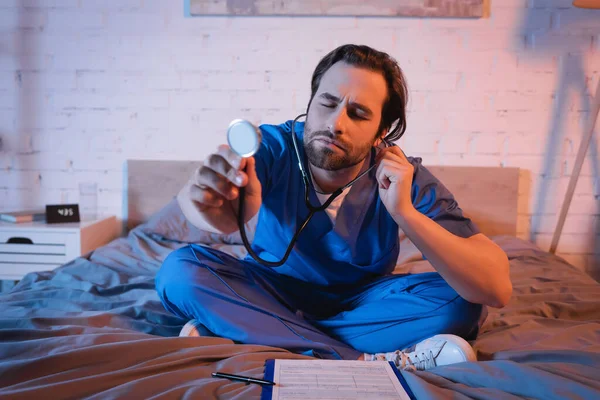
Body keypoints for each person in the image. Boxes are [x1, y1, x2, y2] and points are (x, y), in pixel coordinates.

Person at [155, 44, 512, 371]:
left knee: (461, 302)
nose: (335, 124)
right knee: (180, 270)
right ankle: (355, 358)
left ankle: (248, 327)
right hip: (271, 287)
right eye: (327, 103)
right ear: (310, 103)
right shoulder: (274, 147)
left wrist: (406, 212)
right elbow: (210, 209)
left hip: (361, 304)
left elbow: (495, 288)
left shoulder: (403, 174)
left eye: (357, 114)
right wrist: (204, 198)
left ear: (380, 132)